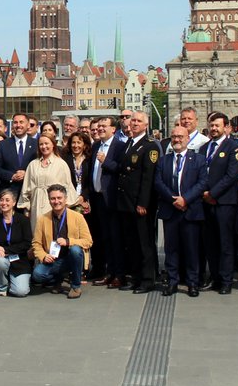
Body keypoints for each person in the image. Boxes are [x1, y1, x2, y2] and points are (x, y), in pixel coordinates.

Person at [154, 126, 206, 296]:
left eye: (180, 137)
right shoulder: (164, 160)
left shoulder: (198, 159)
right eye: (174, 136)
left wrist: (186, 199)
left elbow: (202, 183)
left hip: (190, 211)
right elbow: (159, 182)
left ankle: (192, 282)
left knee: (191, 249)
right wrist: (173, 199)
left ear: (187, 139)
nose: (177, 140)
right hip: (171, 210)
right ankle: (172, 281)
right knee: (171, 249)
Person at [117, 111, 160, 294]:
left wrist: (144, 203)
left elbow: (148, 178)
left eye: (138, 121)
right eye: (132, 120)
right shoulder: (129, 142)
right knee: (131, 243)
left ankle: (147, 279)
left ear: (146, 124)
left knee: (144, 243)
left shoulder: (150, 146)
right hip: (126, 203)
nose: (133, 123)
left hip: (140, 204)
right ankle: (135, 277)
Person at [201, 112, 238, 294]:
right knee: (210, 243)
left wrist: (213, 193)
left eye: (217, 125)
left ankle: (226, 280)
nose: (213, 129)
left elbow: (231, 176)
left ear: (226, 127)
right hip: (205, 202)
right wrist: (203, 193)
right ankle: (215, 277)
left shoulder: (234, 147)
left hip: (224, 202)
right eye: (211, 126)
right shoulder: (204, 148)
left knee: (225, 243)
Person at [29, 184, 92, 299]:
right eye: (53, 198)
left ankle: (75, 286)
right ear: (49, 201)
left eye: (59, 198)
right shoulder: (42, 219)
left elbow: (88, 241)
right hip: (54, 259)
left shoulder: (78, 217)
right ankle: (57, 279)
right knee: (37, 275)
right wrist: (43, 256)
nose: (56, 201)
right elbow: (36, 243)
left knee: (75, 250)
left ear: (65, 199)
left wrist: (68, 241)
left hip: (72, 258)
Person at [85, 116, 124, 288]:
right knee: (103, 237)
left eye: (104, 126)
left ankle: (119, 274)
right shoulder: (96, 146)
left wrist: (105, 161)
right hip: (97, 198)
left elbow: (121, 169)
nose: (100, 129)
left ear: (113, 129)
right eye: (98, 126)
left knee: (116, 238)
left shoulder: (120, 146)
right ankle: (107, 272)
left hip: (112, 200)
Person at [19, 134, 78, 233]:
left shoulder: (61, 164)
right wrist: (26, 207)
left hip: (53, 204)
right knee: (37, 232)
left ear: (53, 145)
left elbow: (67, 187)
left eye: (46, 143)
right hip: (36, 205)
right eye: (41, 144)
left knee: (52, 232)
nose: (44, 146)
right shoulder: (33, 164)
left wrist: (63, 206)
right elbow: (26, 188)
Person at [0, 189, 32, 296]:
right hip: (0, 258)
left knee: (21, 292)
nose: (4, 203)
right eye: (1, 200)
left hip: (19, 261)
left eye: (7, 200)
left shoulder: (23, 220)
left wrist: (5, 250)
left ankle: (12, 282)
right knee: (0, 263)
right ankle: (2, 286)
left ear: (14, 203)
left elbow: (27, 243)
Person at [0, 113, 37, 198]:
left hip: (30, 193)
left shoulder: (36, 144)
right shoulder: (3, 145)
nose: (18, 125)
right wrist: (11, 176)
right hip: (8, 192)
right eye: (15, 122)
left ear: (28, 125)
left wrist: (27, 174)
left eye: (21, 122)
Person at [62, 131, 91, 205]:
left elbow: (90, 181)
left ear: (84, 145)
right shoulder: (64, 158)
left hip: (86, 199)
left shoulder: (89, 159)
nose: (75, 145)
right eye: (73, 142)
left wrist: (83, 196)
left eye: (79, 142)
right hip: (69, 198)